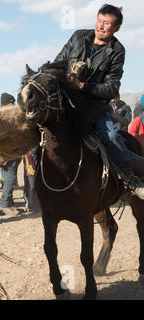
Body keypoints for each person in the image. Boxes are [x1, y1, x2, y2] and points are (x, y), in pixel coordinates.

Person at [54, 4, 144, 199]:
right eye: (99, 21)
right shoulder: (78, 37)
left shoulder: (117, 50)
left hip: (94, 109)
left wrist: (83, 86)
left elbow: (112, 88)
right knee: (39, 131)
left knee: (112, 138)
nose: (101, 27)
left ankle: (129, 178)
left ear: (116, 28)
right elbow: (58, 64)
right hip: (66, 104)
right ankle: (39, 182)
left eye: (107, 24)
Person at [0, 93, 22, 216]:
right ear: (6, 104)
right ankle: (4, 206)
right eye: (12, 103)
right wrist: (1, 157)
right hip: (7, 156)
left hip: (12, 155)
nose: (14, 105)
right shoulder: (1, 120)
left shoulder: (9, 118)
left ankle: (10, 204)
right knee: (10, 180)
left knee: (8, 180)